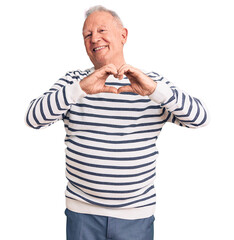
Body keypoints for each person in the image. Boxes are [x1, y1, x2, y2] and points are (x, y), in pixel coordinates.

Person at [25, 5, 209, 240]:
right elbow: (33, 119)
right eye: (87, 35)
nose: (94, 39)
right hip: (82, 214)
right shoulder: (73, 83)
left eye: (102, 30)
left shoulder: (151, 86)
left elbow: (200, 118)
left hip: (136, 217)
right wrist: (79, 89)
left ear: (123, 36)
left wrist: (154, 90)